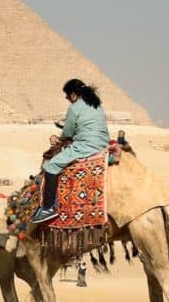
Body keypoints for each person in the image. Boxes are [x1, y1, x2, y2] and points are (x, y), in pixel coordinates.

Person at [31, 79, 110, 224]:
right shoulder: (97, 105)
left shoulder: (74, 108)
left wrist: (57, 139)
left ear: (73, 95)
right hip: (102, 144)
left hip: (86, 145)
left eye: (67, 97)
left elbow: (68, 132)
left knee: (51, 166)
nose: (68, 100)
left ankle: (48, 208)